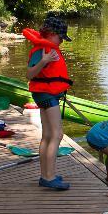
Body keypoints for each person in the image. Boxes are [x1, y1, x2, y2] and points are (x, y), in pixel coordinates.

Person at [24, 16, 73, 190]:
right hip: (46, 94)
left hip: (44, 94)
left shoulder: (47, 46)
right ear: (51, 34)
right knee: (57, 135)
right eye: (60, 37)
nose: (61, 41)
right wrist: (44, 61)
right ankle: (49, 177)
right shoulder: (41, 50)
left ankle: (45, 175)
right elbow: (30, 74)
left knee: (47, 135)